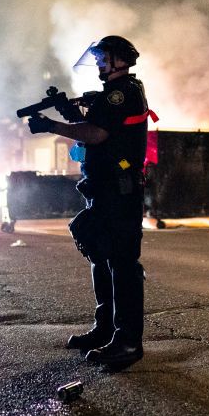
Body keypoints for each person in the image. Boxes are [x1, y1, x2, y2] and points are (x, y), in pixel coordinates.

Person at [28, 36, 153, 368]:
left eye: (103, 59)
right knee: (101, 255)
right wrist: (70, 112)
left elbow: (98, 133)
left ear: (119, 61)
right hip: (104, 190)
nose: (99, 64)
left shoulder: (121, 92)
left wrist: (52, 125)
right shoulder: (114, 95)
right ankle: (106, 329)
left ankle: (128, 342)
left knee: (123, 265)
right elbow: (97, 124)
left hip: (119, 192)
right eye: (97, 59)